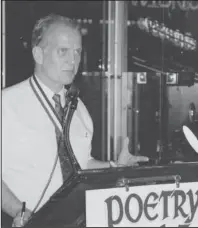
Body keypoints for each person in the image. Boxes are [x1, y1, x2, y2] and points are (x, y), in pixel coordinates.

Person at [2, 14, 149, 227]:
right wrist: (20, 211)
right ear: (38, 54)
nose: (73, 61)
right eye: (63, 51)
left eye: (77, 52)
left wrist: (114, 166)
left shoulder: (78, 109)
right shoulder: (6, 104)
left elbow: (80, 164)